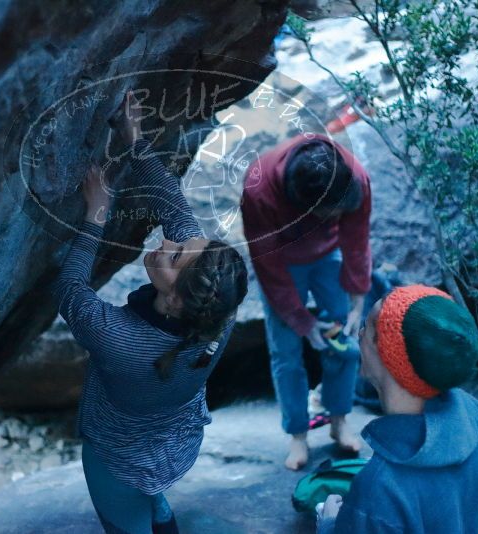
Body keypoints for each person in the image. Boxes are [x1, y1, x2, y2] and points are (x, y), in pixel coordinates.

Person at [52, 91, 248, 534]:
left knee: (126, 522)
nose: (168, 242)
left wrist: (96, 216)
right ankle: (161, 513)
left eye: (175, 256)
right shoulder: (219, 311)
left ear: (177, 299)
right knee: (153, 494)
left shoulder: (119, 339)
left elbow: (68, 290)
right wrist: (134, 140)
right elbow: (173, 205)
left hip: (117, 456)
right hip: (173, 440)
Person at [317, 285, 478, 534]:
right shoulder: (473, 412)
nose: (359, 334)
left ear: (388, 359)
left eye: (368, 327)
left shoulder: (378, 492)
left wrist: (331, 525)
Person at [241, 134, 371, 469]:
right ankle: (298, 436)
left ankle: (340, 420)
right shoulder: (259, 189)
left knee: (342, 340)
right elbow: (266, 262)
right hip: (282, 263)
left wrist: (358, 298)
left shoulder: (353, 174)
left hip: (329, 258)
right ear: (304, 208)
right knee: (286, 352)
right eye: (331, 212)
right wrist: (302, 319)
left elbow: (356, 237)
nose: (337, 215)